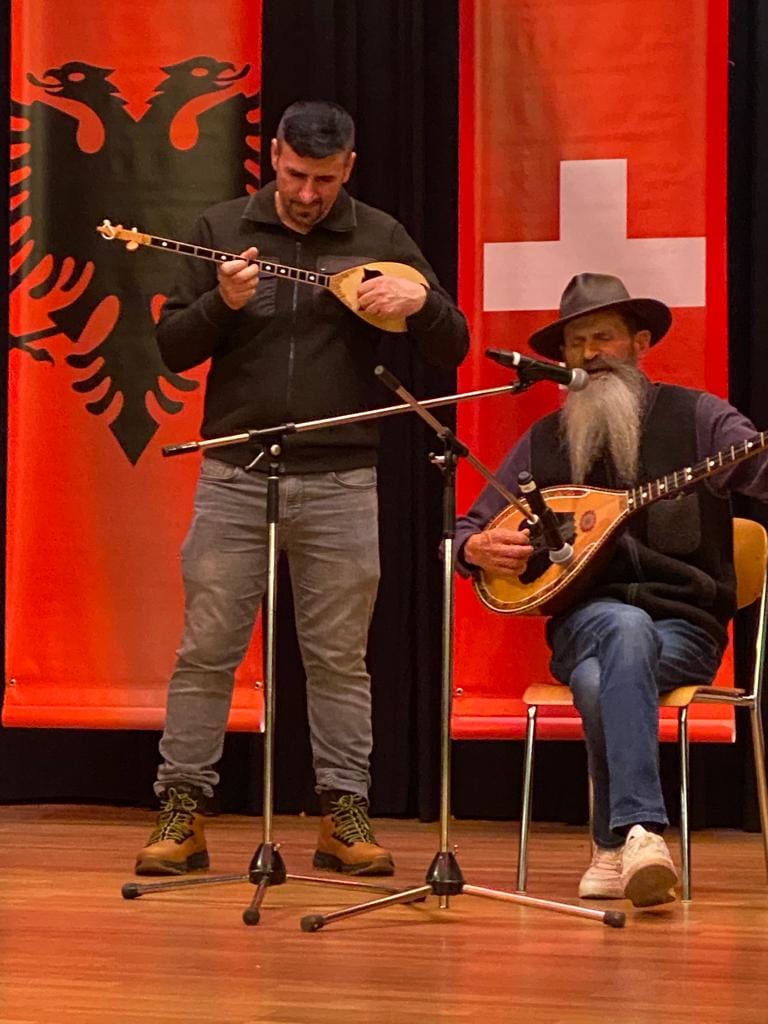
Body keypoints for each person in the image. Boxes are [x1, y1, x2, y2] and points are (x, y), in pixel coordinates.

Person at [136, 100, 469, 877]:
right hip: (236, 471)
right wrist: (222, 303)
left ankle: (343, 814)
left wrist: (421, 305)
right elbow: (173, 347)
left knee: (339, 659)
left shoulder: (380, 236)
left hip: (342, 476)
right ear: (275, 156)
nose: (308, 194)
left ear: (348, 166)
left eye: (324, 179)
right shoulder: (222, 227)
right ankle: (182, 811)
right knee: (207, 650)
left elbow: (452, 349)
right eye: (294, 175)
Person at [455, 272, 768, 907]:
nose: (590, 353)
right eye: (576, 343)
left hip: (686, 628)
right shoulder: (543, 442)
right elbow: (469, 528)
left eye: (604, 337)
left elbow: (760, 469)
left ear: (640, 343)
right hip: (583, 624)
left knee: (603, 679)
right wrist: (475, 548)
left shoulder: (700, 418)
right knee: (621, 628)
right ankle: (644, 832)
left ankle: (610, 843)